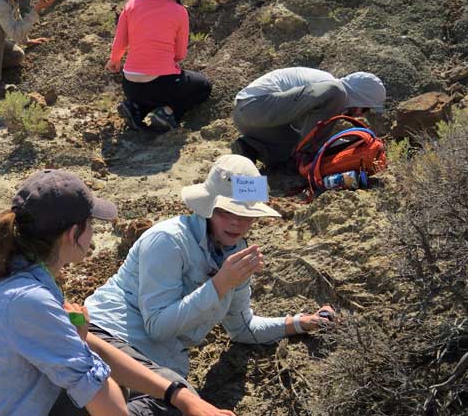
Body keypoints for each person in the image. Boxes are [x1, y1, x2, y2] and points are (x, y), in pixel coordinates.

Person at [0, 169, 236, 416]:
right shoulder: (29, 300)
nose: (93, 233)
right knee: (162, 408)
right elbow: (105, 399)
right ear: (72, 234)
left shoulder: (7, 275)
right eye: (90, 224)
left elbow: (91, 349)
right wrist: (181, 404)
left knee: (167, 393)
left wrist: (180, 395)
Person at [81, 155, 335, 400]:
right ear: (209, 207)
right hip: (108, 339)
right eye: (227, 212)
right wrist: (219, 285)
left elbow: (242, 328)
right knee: (183, 400)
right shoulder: (169, 240)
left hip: (159, 362)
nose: (236, 223)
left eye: (247, 215)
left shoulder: (234, 254)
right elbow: (157, 327)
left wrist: (301, 323)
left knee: (182, 403)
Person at [108, 0, 212, 133]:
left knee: (149, 90)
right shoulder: (179, 11)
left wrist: (114, 61)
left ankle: (135, 108)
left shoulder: (131, 5)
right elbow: (179, 55)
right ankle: (169, 113)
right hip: (162, 85)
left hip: (130, 85)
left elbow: (120, 42)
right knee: (203, 85)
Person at [231, 67, 386, 168]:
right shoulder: (331, 88)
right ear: (358, 98)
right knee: (336, 92)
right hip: (254, 106)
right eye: (365, 108)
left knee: (290, 159)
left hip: (254, 123)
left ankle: (249, 149)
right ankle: (307, 158)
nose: (361, 115)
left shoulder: (323, 98)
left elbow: (307, 129)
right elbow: (314, 134)